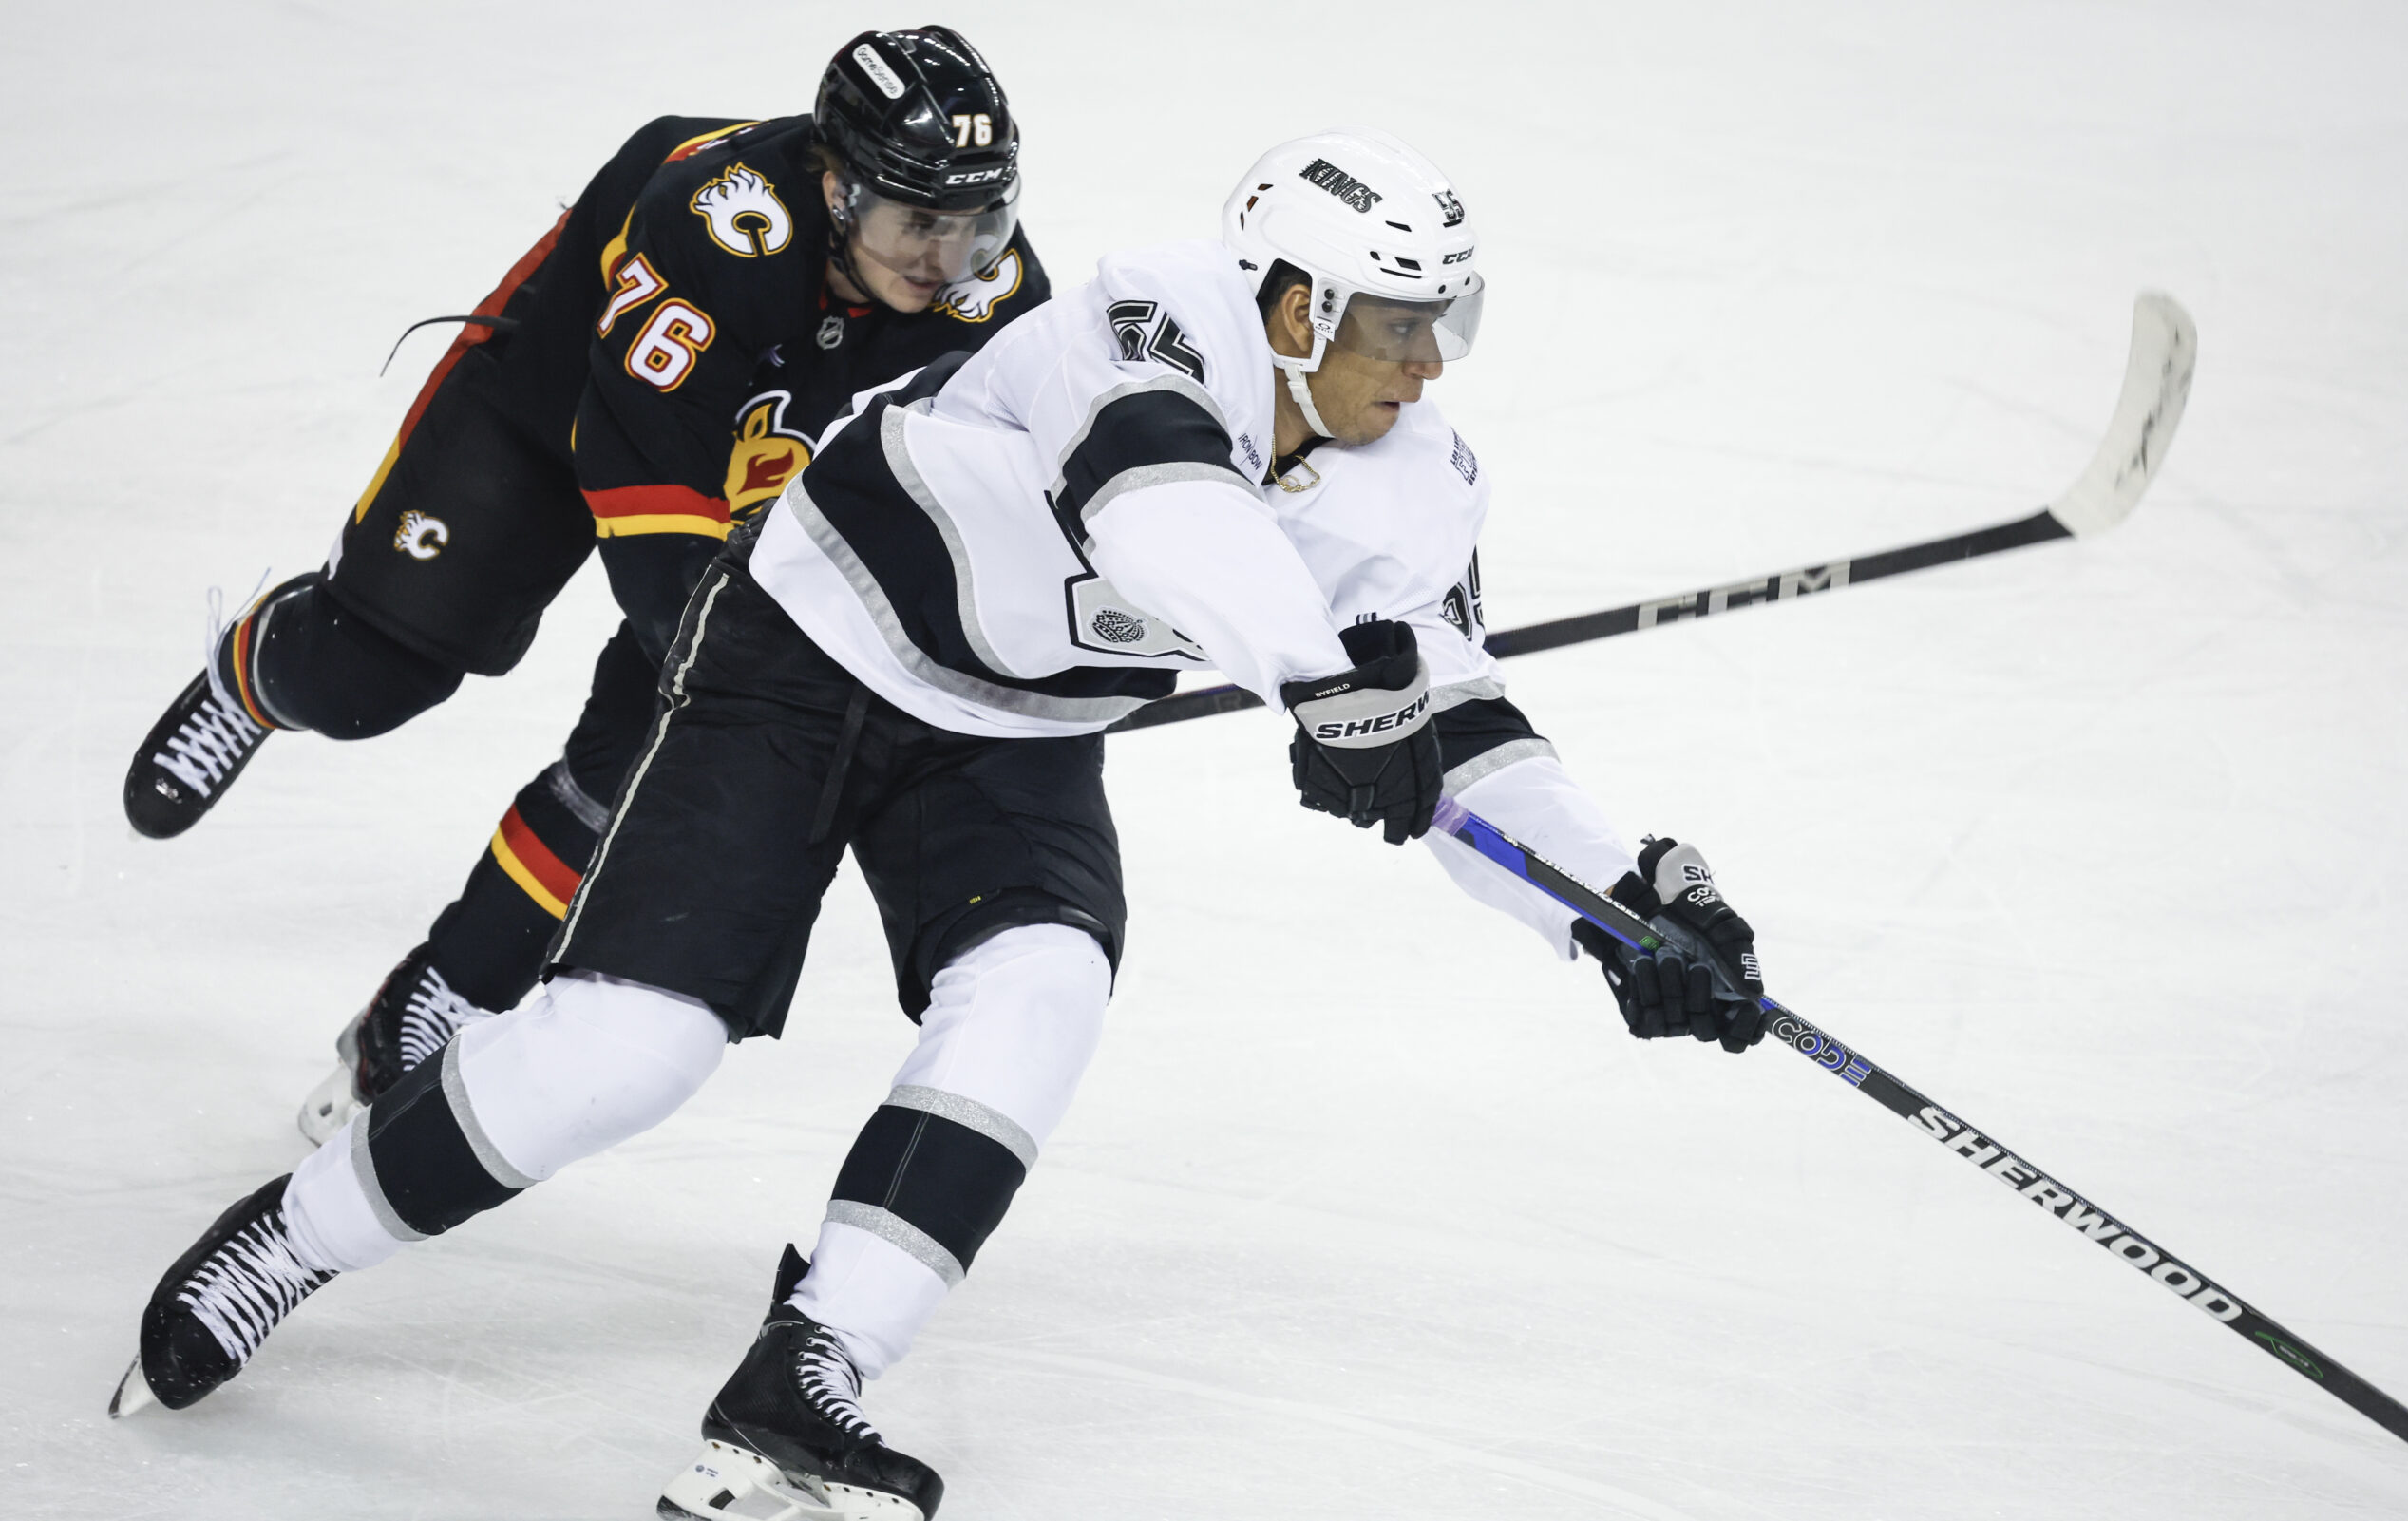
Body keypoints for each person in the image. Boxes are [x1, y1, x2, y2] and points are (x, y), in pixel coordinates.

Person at [109, 127, 1768, 1521]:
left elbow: (1465, 732)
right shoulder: (1142, 317)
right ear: (1288, 301)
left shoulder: (1424, 479)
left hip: (1012, 737)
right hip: (798, 661)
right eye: (1397, 323)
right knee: (623, 1057)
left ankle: (803, 1369)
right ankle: (288, 1236)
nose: (1429, 364)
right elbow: (1163, 500)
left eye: (1448, 320)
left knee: (1044, 990)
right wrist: (1331, 680)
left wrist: (1618, 907)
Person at [116, 29, 1052, 1141]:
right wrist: (729, 652)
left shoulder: (990, 282)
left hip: (758, 459)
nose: (950, 256)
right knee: (375, 679)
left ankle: (438, 992)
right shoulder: (725, 221)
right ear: (838, 186)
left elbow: (1012, 480)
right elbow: (641, 467)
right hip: (555, 414)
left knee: (656, 749)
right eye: (919, 221)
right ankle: (265, 669)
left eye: (975, 221)